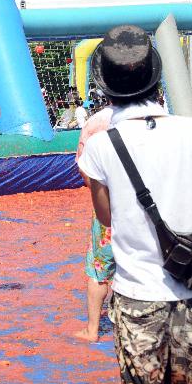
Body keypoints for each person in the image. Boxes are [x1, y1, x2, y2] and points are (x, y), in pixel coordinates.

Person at [77, 25, 192, 384]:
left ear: (104, 85)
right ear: (156, 76)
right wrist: (183, 216)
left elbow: (105, 217)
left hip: (135, 297)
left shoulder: (100, 145)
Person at [73, 101, 114, 342]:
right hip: (147, 207)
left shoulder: (94, 124)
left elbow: (83, 166)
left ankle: (92, 330)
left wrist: (100, 195)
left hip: (108, 206)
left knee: (100, 268)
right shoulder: (159, 119)